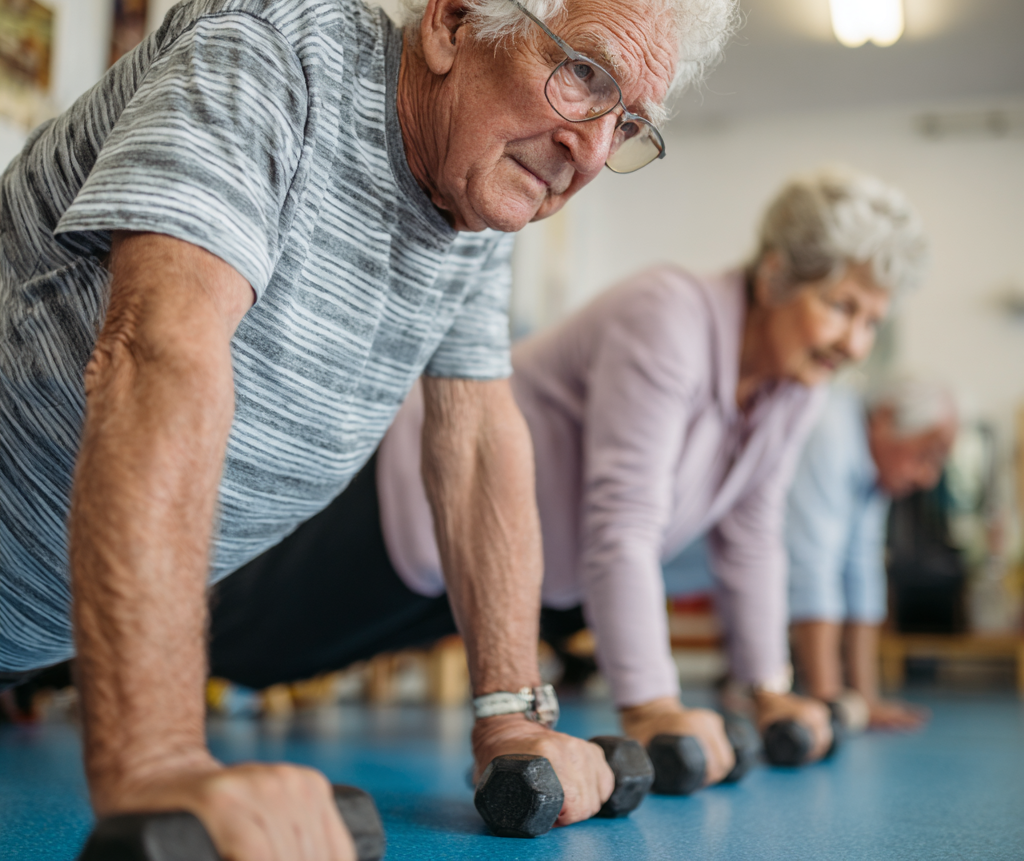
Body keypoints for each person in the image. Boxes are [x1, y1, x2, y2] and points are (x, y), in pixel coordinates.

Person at [0, 0, 737, 859]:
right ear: (455, 17)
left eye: (627, 123)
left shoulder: (474, 195)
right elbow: (155, 351)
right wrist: (162, 763)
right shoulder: (281, 42)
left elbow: (475, 441)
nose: (591, 150)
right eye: (584, 76)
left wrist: (513, 718)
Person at [212, 168, 927, 790]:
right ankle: (105, 647)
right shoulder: (670, 315)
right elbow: (623, 523)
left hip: (521, 579)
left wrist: (770, 690)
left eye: (872, 319)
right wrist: (651, 708)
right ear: (774, 274)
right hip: (419, 507)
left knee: (272, 661)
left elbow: (752, 538)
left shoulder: (794, 388)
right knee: (245, 648)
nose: (854, 343)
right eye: (840, 307)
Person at [787, 378, 956, 730]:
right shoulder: (830, 429)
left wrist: (865, 701)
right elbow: (811, 567)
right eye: (926, 455)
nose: (928, 478)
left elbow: (862, 571)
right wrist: (830, 705)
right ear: (885, 418)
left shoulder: (873, 467)